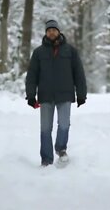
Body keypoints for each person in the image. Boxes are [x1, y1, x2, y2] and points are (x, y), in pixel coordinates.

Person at [25, 19, 87, 166]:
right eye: (48, 30)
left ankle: (61, 149)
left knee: (64, 124)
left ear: (59, 31)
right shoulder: (38, 52)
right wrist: (31, 95)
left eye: (54, 30)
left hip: (65, 94)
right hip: (45, 96)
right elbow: (32, 75)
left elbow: (79, 73)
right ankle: (46, 159)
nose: (51, 32)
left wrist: (81, 94)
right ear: (46, 33)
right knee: (45, 129)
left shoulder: (70, 51)